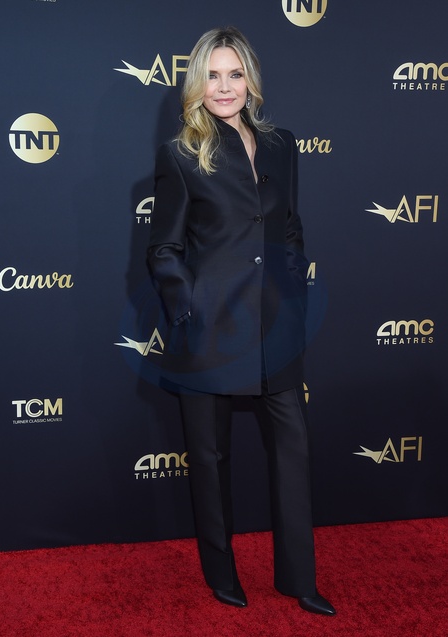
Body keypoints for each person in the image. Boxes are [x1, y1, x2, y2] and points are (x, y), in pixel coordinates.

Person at [147, 26, 335, 616]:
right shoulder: (181, 153)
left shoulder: (281, 144)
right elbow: (164, 249)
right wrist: (188, 310)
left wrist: (293, 292)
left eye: (234, 74)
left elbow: (289, 226)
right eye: (212, 75)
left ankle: (299, 580)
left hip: (276, 324)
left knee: (293, 451)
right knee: (209, 457)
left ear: (250, 79)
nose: (224, 87)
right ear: (196, 83)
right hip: (210, 329)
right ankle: (222, 573)